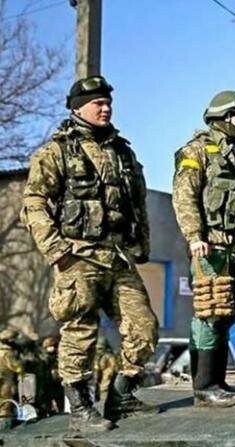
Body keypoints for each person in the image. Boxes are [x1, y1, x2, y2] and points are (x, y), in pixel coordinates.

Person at [20, 75, 159, 432]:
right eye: (98, 103)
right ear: (78, 108)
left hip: (117, 255)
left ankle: (121, 394)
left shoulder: (122, 151)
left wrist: (141, 246)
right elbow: (34, 203)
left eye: (108, 102)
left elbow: (137, 203)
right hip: (78, 256)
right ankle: (81, 407)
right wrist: (57, 251)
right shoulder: (56, 151)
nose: (106, 108)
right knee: (80, 332)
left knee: (144, 327)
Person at [172, 90, 235, 408]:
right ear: (219, 116)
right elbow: (184, 196)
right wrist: (194, 236)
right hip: (211, 246)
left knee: (226, 314)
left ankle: (218, 382)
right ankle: (204, 387)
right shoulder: (197, 150)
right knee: (210, 313)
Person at [0, 329, 24, 430]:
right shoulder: (7, 352)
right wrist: (22, 370)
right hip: (6, 378)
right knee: (6, 397)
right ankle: (4, 418)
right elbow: (15, 366)